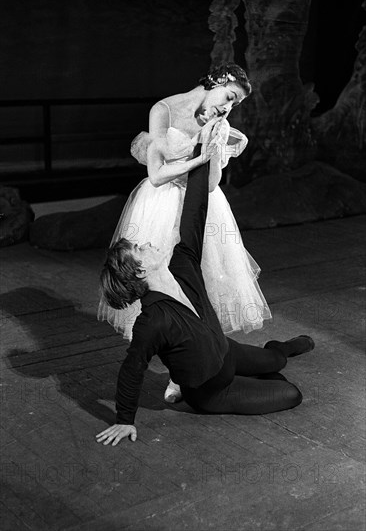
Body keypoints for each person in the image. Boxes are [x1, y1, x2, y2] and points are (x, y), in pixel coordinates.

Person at [96, 154, 314, 446]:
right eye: (140, 248)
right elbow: (132, 369)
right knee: (290, 393)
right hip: (213, 391)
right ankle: (261, 375)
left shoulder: (182, 264)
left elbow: (195, 211)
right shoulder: (152, 322)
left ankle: (278, 350)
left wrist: (203, 150)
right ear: (141, 269)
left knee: (275, 360)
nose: (147, 242)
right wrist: (124, 419)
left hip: (227, 352)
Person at [97, 63, 271, 402]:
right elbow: (157, 173)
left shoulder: (220, 123)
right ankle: (179, 365)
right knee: (163, 285)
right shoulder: (164, 110)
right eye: (229, 97)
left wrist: (215, 150)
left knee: (203, 279)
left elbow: (212, 184)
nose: (228, 107)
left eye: (235, 105)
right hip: (161, 202)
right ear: (218, 82)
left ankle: (208, 355)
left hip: (199, 203)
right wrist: (197, 156)